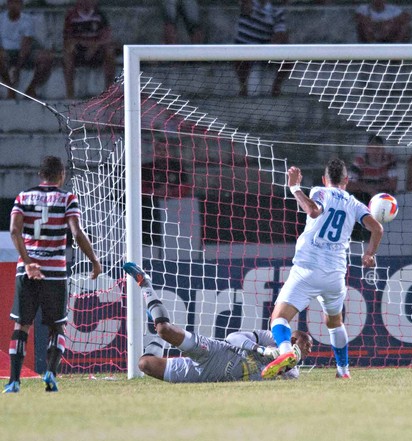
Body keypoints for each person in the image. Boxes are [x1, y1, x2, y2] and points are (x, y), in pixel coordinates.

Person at [261, 159, 383, 380]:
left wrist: (294, 187)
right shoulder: (354, 203)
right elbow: (377, 228)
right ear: (346, 180)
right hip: (335, 275)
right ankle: (343, 371)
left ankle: (286, 353)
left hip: (308, 269)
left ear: (324, 180)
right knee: (335, 323)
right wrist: (369, 254)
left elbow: (313, 211)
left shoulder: (320, 191)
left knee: (279, 319)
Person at [3, 156, 102, 393]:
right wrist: (94, 261)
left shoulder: (23, 197)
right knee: (57, 327)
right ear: (61, 175)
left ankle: (14, 381)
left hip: (27, 271)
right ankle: (50, 372)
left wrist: (28, 263)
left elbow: (14, 231)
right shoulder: (67, 198)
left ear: (40, 175)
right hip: (55, 272)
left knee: (22, 325)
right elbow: (77, 233)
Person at [122, 262, 313, 383]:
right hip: (217, 353)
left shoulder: (293, 373)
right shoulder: (270, 338)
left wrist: (282, 367)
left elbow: (269, 381)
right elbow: (233, 337)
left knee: (145, 364)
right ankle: (145, 284)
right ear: (294, 340)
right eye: (307, 344)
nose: (309, 350)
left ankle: (156, 327)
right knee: (165, 329)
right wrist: (262, 350)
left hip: (208, 377)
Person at [234, 0, 289, 96]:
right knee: (237, 57)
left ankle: (276, 88)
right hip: (245, 47)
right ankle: (243, 88)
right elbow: (245, 8)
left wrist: (273, 45)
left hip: (266, 48)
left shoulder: (276, 10)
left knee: (289, 57)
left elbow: (280, 33)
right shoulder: (247, 3)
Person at [62, 0, 116, 99]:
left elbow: (107, 37)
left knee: (110, 51)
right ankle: (70, 94)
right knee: (68, 52)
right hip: (79, 51)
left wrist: (95, 46)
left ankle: (109, 92)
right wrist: (86, 44)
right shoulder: (71, 16)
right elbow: (68, 38)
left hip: (97, 51)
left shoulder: (100, 16)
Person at [0, 0, 53, 99]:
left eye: (17, 3)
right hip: (5, 52)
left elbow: (26, 45)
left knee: (46, 58)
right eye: (12, 3)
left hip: (23, 52)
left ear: (21, 5)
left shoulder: (27, 20)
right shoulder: (1, 19)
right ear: (7, 4)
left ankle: (30, 90)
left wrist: (18, 69)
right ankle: (10, 89)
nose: (14, 6)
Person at [347, 135, 397, 205]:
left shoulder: (389, 161)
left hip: (383, 199)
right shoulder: (359, 161)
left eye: (378, 148)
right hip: (362, 199)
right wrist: (368, 190)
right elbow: (349, 184)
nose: (375, 152)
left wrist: (374, 189)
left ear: (383, 149)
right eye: (372, 148)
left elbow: (393, 185)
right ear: (367, 149)